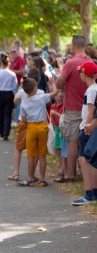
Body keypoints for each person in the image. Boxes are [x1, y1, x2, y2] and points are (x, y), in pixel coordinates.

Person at [56, 35, 93, 182]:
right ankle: (86, 175)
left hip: (72, 107)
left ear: (73, 46)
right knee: (86, 140)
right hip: (88, 106)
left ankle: (70, 174)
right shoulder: (91, 62)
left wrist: (60, 70)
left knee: (72, 141)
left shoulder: (71, 63)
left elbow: (59, 84)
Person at [18, 78, 58, 187]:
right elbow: (55, 93)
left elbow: (24, 119)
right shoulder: (41, 98)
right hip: (42, 127)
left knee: (31, 155)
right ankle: (42, 179)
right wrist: (53, 83)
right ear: (35, 87)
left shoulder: (23, 103)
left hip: (31, 127)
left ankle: (30, 177)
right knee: (42, 155)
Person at [8, 68, 43, 181]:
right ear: (39, 79)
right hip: (36, 122)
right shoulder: (41, 92)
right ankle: (31, 174)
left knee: (19, 148)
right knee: (35, 150)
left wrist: (20, 87)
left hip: (23, 122)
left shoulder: (23, 90)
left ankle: (16, 172)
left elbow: (15, 101)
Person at [71, 62, 97, 205]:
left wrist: (86, 127)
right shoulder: (92, 89)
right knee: (89, 161)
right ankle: (93, 193)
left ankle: (89, 194)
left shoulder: (91, 90)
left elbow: (91, 111)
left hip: (88, 128)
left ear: (84, 73)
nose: (79, 74)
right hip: (89, 128)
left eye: (80, 72)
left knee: (84, 160)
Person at [0, 53, 18, 140]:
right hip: (9, 94)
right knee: (8, 114)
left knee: (0, 113)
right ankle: (6, 132)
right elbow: (15, 85)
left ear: (1, 63)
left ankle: (1, 131)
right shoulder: (12, 74)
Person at [51, 92, 68, 183]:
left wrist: (56, 114)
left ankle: (63, 170)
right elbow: (52, 119)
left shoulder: (64, 105)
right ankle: (61, 167)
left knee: (63, 149)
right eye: (58, 93)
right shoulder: (53, 106)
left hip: (63, 128)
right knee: (57, 149)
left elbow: (64, 117)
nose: (61, 94)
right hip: (57, 129)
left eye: (62, 92)